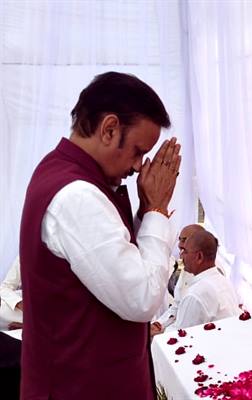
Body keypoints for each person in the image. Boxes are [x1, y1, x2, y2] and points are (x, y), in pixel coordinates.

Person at [19, 71, 181, 399]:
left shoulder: (60, 170)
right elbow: (141, 298)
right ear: (109, 129)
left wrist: (145, 211)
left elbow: (117, 261)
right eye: (137, 151)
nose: (139, 166)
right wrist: (156, 210)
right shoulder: (78, 196)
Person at [151, 226, 239, 334]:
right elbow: (178, 305)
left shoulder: (196, 294)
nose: (180, 250)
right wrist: (159, 324)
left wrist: (159, 333)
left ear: (199, 257)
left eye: (185, 251)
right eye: (179, 240)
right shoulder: (219, 280)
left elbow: (182, 335)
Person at [0, 257, 23, 331]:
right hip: (22, 306)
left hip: (47, 317)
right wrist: (18, 302)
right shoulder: (25, 255)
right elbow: (5, 287)